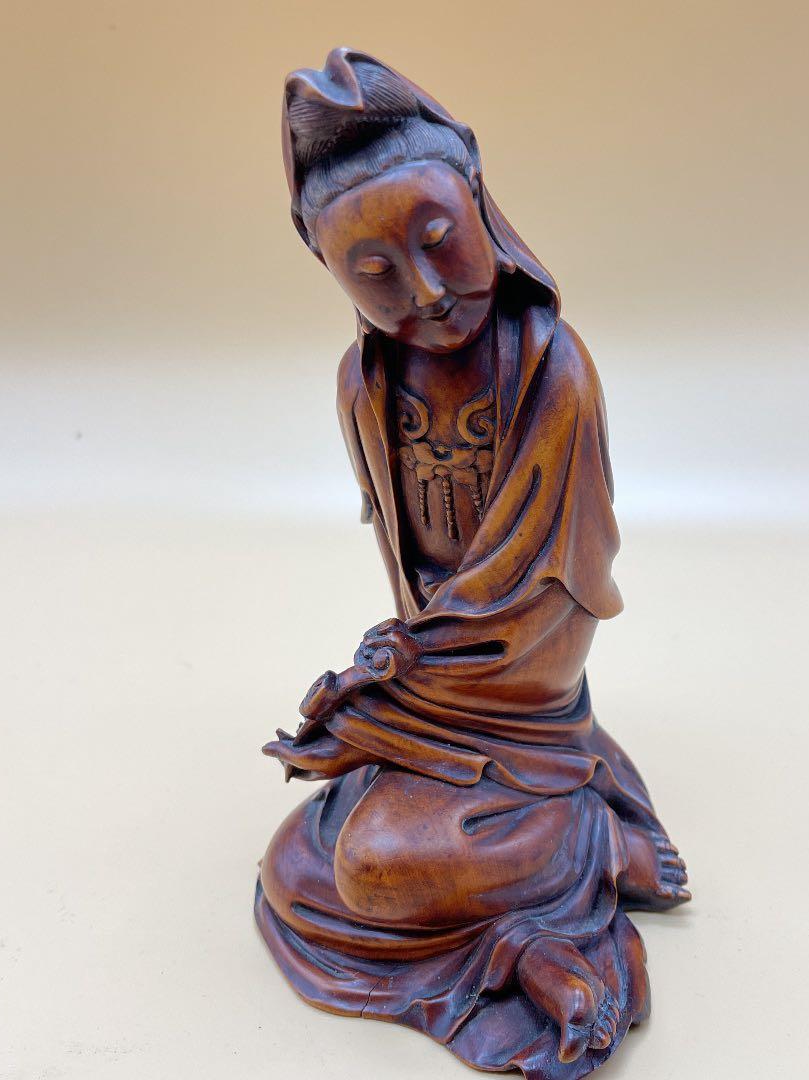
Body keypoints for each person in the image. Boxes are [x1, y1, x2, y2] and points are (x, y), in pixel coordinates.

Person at [256, 48, 689, 1079]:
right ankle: (540, 906)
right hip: (435, 699)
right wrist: (384, 686)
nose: (424, 290)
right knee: (298, 867)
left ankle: (585, 844)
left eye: (439, 241)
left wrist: (399, 679)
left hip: (522, 693)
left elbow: (552, 592)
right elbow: (410, 570)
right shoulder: (363, 385)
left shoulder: (551, 370)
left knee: (368, 866)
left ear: (479, 196)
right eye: (373, 274)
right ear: (329, 272)